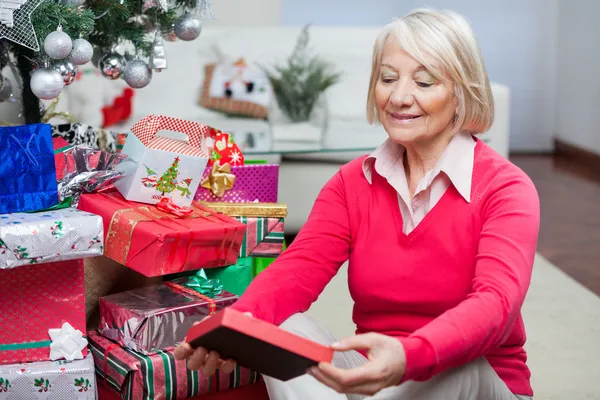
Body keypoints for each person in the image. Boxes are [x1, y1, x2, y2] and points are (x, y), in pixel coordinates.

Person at [175, 8, 539, 400]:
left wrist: (407, 355)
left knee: (454, 363)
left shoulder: (507, 188)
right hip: (375, 379)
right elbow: (298, 270)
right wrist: (235, 328)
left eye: (424, 81)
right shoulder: (351, 183)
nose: (399, 97)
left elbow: (496, 306)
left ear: (462, 93)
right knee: (283, 327)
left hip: (472, 379)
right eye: (387, 79)